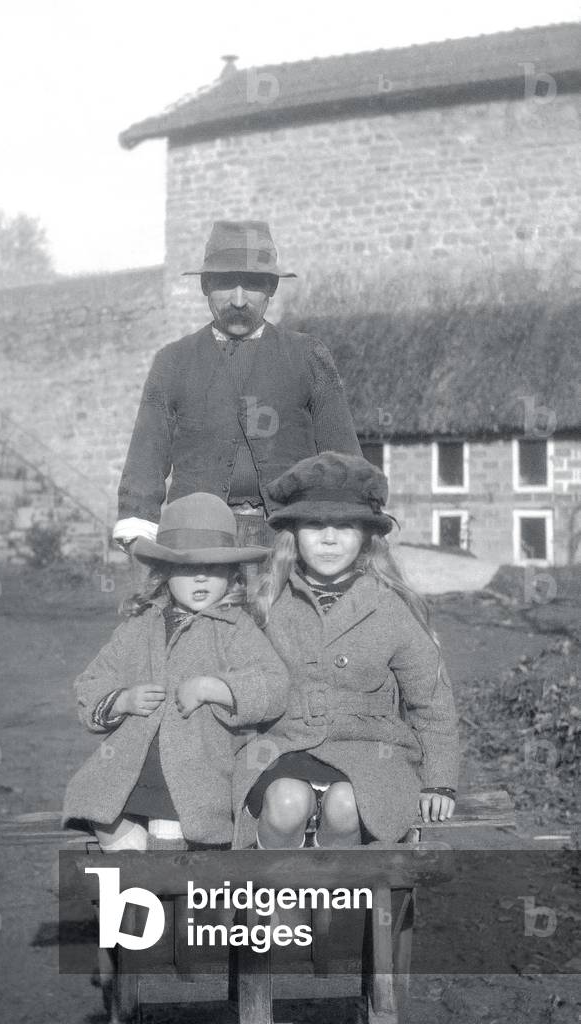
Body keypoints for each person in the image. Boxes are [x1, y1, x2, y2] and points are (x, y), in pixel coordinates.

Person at [232, 452, 459, 849]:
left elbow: (431, 701)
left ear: (367, 536)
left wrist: (439, 781)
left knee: (346, 806)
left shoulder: (390, 607)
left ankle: (338, 906)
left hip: (373, 751)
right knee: (286, 802)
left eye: (346, 526)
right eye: (315, 525)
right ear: (293, 534)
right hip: (284, 746)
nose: (330, 538)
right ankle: (279, 905)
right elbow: (239, 686)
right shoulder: (267, 603)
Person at [113, 220, 362, 552]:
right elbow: (145, 459)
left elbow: (342, 459)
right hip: (196, 540)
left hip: (287, 540)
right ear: (205, 285)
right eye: (226, 285)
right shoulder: (173, 362)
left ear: (272, 288)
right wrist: (139, 534)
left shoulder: (308, 356)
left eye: (254, 285)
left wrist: (351, 529)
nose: (240, 300)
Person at [62, 493, 289, 851]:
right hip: (130, 763)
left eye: (213, 568)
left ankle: (166, 888)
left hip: (198, 764)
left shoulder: (235, 627)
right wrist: (121, 700)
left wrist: (215, 688)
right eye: (186, 567)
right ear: (165, 573)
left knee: (173, 829)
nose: (201, 577)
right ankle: (137, 880)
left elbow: (274, 686)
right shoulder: (140, 626)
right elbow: (91, 683)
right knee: (104, 814)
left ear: (232, 574)